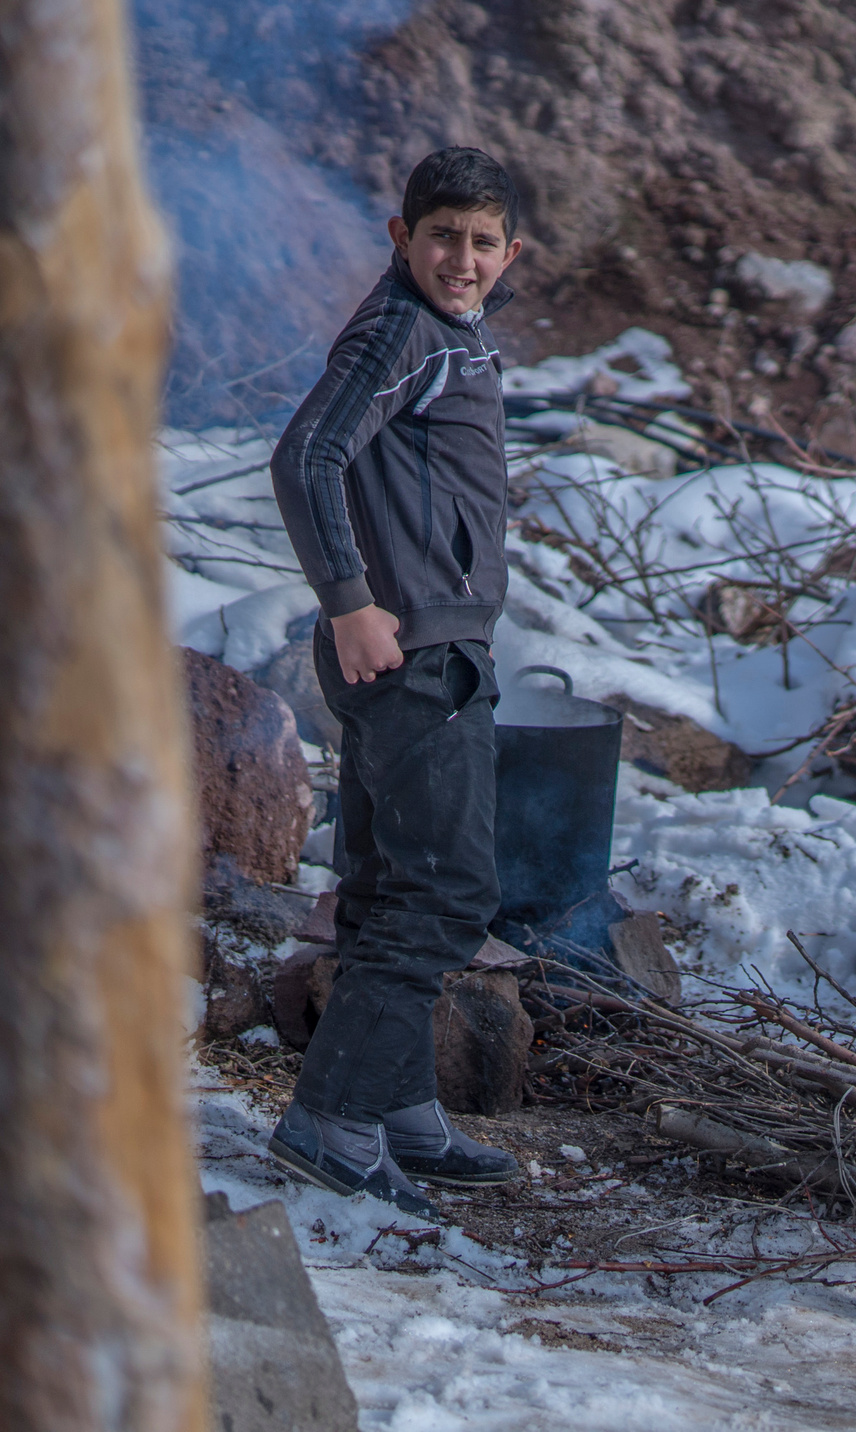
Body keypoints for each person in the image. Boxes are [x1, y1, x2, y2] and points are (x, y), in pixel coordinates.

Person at [263, 147, 529, 1213]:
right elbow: (306, 457)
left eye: (480, 241)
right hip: (412, 649)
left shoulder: (445, 334)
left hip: (423, 641)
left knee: (386, 883)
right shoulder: (400, 332)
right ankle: (329, 1116)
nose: (459, 259)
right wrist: (347, 597)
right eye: (440, 237)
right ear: (400, 237)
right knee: (447, 890)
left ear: (512, 251)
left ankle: (396, 1104)